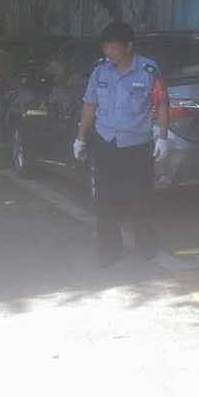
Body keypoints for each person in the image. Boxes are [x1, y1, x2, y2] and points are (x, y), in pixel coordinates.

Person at [74, 21, 169, 265]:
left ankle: (145, 245)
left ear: (128, 46)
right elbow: (89, 104)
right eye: (106, 47)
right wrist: (80, 137)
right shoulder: (100, 71)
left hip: (137, 145)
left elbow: (161, 104)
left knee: (140, 198)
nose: (109, 52)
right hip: (106, 143)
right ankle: (109, 249)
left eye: (114, 47)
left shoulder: (148, 70)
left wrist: (162, 137)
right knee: (104, 199)